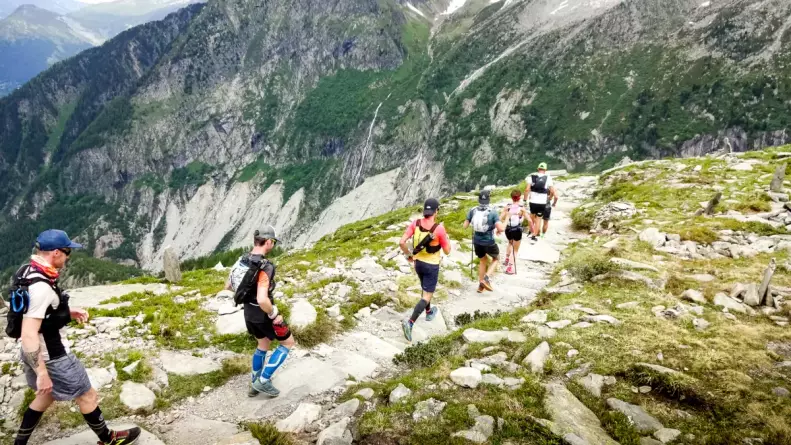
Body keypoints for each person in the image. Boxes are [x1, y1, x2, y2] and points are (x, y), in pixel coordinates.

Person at [13, 230, 141, 445]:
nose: (68, 257)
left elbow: (36, 313)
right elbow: (28, 333)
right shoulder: (41, 287)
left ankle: (19, 443)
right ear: (56, 253)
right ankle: (109, 440)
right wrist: (42, 372)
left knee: (45, 396)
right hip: (53, 356)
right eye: (67, 252)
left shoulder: (28, 271)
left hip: (33, 353)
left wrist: (66, 312)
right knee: (87, 395)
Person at [226, 226, 295, 398]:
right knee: (287, 343)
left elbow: (228, 286)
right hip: (263, 313)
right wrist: (273, 313)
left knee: (262, 344)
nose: (274, 245)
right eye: (274, 242)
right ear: (269, 242)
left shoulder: (241, 259)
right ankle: (263, 381)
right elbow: (262, 299)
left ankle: (254, 383)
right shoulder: (265, 266)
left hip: (248, 313)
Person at [398, 198, 452, 341]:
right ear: (436, 211)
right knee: (427, 295)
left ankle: (428, 312)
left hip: (418, 264)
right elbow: (447, 251)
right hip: (431, 265)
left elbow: (402, 242)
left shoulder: (415, 223)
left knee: (425, 287)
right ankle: (410, 323)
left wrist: (409, 255)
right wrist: (446, 238)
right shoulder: (439, 229)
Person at [463, 190, 504, 292]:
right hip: (489, 241)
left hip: (477, 241)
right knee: (496, 258)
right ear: (489, 199)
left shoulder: (473, 210)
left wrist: (470, 220)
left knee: (482, 260)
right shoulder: (493, 212)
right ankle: (485, 279)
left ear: (479, 199)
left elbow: (465, 226)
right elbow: (501, 228)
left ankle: (480, 286)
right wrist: (506, 218)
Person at [524, 162, 558, 242]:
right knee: (539, 219)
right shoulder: (548, 178)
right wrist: (550, 198)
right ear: (545, 170)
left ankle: (530, 232)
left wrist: (525, 200)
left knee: (532, 217)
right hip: (542, 202)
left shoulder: (531, 177)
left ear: (538, 169)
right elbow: (552, 191)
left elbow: (527, 189)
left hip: (533, 201)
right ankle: (534, 236)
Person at [500, 190, 529, 275]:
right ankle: (510, 267)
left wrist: (503, 221)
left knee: (510, 243)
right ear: (519, 198)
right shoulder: (521, 207)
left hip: (508, 228)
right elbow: (528, 219)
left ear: (511, 197)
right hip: (517, 229)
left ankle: (507, 258)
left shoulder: (507, 206)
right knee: (515, 250)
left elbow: (500, 218)